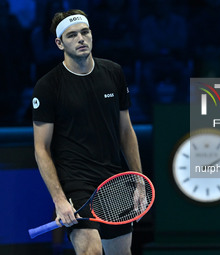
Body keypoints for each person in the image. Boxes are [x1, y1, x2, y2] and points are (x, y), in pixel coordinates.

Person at [31, 9, 142, 255]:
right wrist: (59, 200)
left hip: (114, 178)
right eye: (71, 35)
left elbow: (126, 131)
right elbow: (41, 148)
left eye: (85, 32)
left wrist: (138, 180)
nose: (80, 39)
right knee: (90, 251)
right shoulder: (48, 86)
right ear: (59, 43)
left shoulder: (113, 72)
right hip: (75, 182)